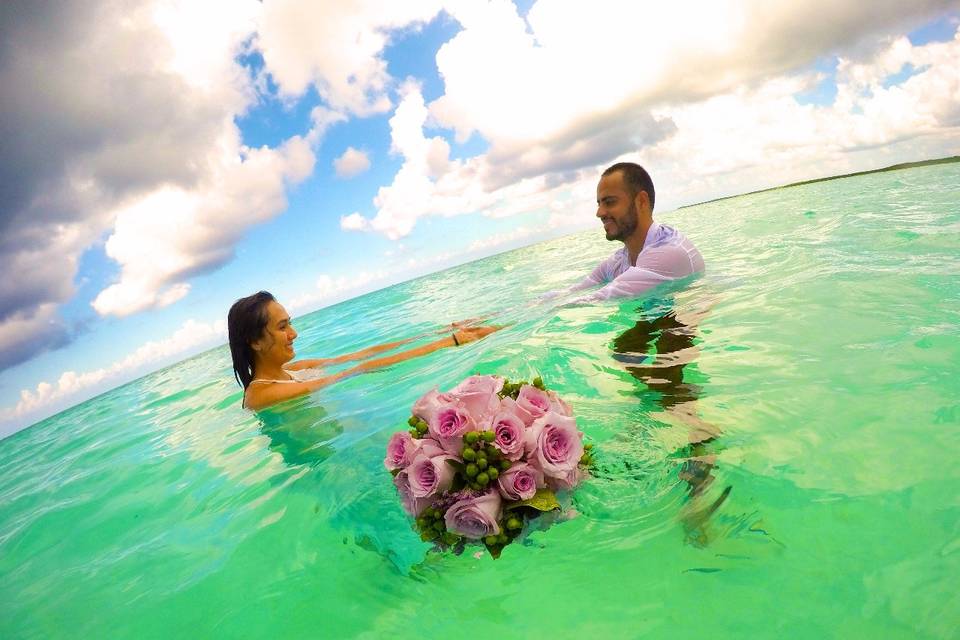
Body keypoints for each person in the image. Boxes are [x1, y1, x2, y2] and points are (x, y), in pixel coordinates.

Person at [228, 291, 500, 410]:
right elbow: (354, 371)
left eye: (291, 323)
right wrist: (449, 343)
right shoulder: (260, 395)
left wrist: (439, 332)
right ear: (255, 341)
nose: (294, 334)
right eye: (283, 327)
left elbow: (360, 356)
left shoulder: (293, 370)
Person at [569, 162, 705, 301]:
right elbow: (574, 291)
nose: (599, 212)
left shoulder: (668, 252)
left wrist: (548, 313)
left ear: (641, 201)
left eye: (609, 202)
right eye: (599, 204)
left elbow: (597, 300)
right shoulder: (620, 259)